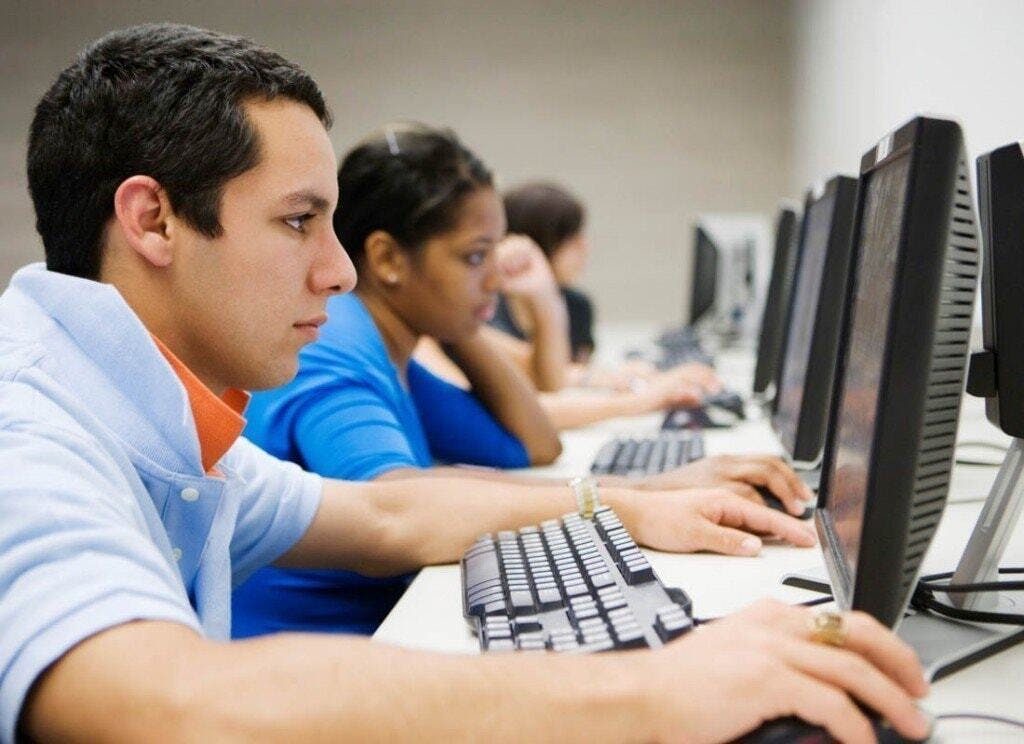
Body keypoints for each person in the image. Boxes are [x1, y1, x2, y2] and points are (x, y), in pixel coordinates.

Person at [1, 23, 931, 743]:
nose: (340, 273)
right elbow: (163, 707)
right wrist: (657, 688)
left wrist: (628, 506)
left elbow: (385, 519)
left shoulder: (156, 418)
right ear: (153, 220)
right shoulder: (27, 430)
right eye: (297, 222)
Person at [232, 123, 813, 638]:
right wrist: (633, 503)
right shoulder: (334, 345)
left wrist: (463, 318)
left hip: (375, 634)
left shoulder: (391, 345)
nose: (495, 282)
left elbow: (528, 446)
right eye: (473, 257)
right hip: (312, 651)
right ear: (386, 260)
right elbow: (397, 504)